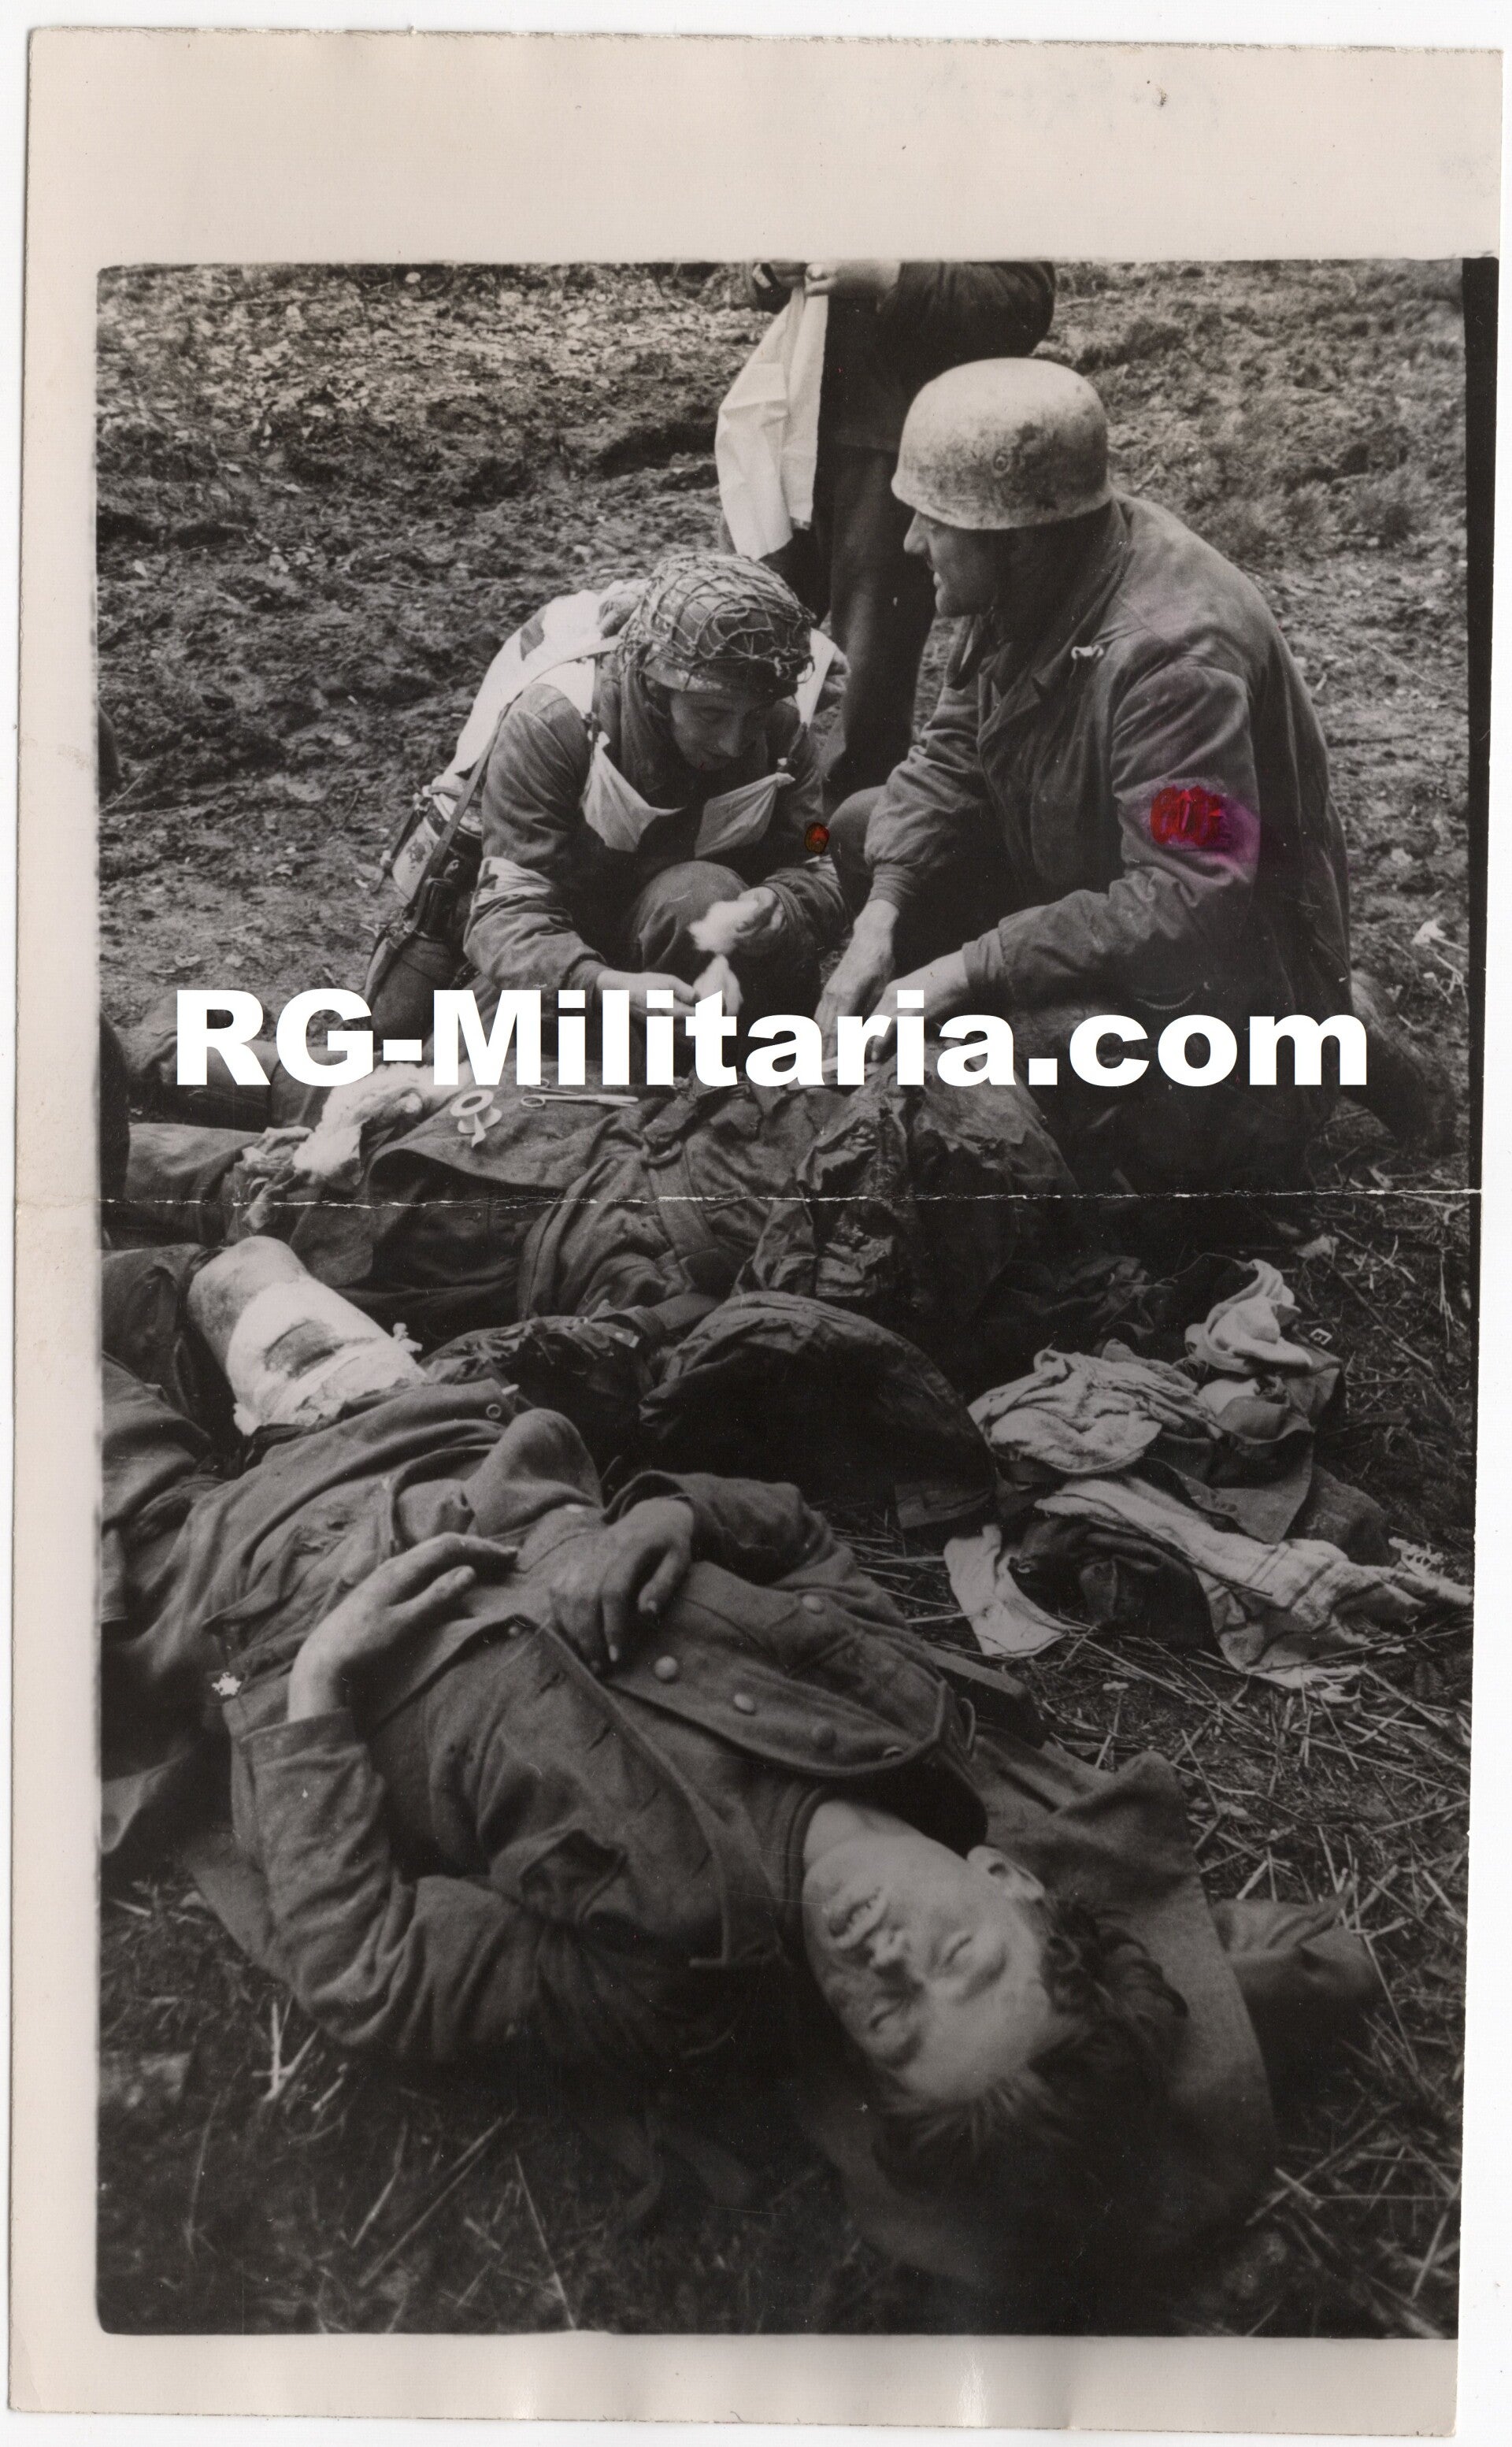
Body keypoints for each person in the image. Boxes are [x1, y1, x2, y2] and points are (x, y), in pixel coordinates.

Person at [103, 1240, 1380, 2315]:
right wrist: (676, 1515)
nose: (888, 1961)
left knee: (42, 1324)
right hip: (422, 1427)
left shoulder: (667, 1976)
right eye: (956, 1958)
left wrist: (322, 1688)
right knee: (226, 1270)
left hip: (221, 1578)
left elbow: (372, 1975)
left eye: (892, 2024)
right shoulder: (898, 1714)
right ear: (1010, 1881)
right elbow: (801, 1534)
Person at [815, 358, 1406, 1192]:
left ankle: (1315, 1053)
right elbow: (954, 750)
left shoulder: (1173, 661)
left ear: (1014, 535)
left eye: (935, 523)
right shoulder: (1041, 572)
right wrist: (883, 912)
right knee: (863, 830)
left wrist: (968, 968)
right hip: (1103, 884)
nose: (912, 543)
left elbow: (1186, 898)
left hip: (1224, 984)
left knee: (1016, 1075)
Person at [462, 551, 847, 1029]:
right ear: (656, 686)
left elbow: (818, 857)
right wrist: (602, 985)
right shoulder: (555, 724)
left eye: (754, 717)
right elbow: (506, 907)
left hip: (710, 973)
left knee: (700, 895)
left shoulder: (786, 730)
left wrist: (783, 906)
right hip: (573, 971)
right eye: (711, 714)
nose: (732, 743)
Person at [743, 261, 1055, 798]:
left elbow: (1022, 301)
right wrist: (769, 269)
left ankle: (854, 831)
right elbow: (758, 277)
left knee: (866, 694)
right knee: (740, 636)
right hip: (785, 424)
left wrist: (891, 278)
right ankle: (740, 810)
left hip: (896, 438)